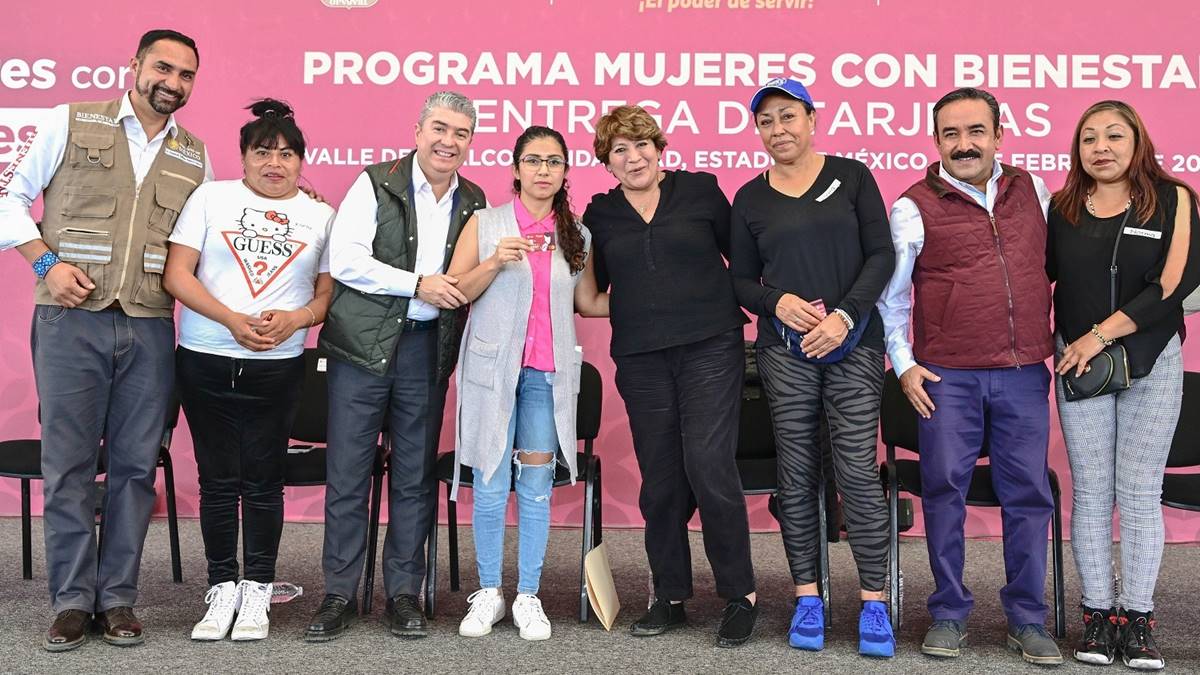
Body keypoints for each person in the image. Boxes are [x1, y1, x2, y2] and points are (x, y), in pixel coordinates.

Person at [0, 29, 211, 651]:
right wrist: (44, 263)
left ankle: (116, 598)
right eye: (162, 68)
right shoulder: (70, 120)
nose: (172, 82)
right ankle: (71, 601)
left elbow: (208, 238)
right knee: (67, 466)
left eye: (186, 74)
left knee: (134, 470)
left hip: (149, 325)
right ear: (134, 66)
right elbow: (8, 198)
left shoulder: (197, 157)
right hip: (72, 321)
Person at [876, 87, 1062, 665]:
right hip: (945, 377)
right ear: (936, 141)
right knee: (944, 493)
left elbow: (1054, 272)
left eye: (975, 131)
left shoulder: (1034, 190)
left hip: (1025, 371)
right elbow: (893, 297)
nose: (964, 144)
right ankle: (949, 612)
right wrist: (904, 367)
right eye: (951, 134)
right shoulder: (911, 205)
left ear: (999, 135)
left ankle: (1027, 618)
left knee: (1028, 495)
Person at [304, 91, 487, 642]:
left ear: (470, 143)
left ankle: (403, 593)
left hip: (426, 351)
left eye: (460, 133)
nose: (447, 141)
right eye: (439, 128)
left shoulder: (474, 199)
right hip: (361, 350)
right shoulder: (373, 181)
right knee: (348, 475)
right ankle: (338, 593)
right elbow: (348, 261)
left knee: (413, 478)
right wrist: (417, 284)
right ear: (416, 131)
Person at [729, 77, 896, 657]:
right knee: (796, 472)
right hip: (784, 351)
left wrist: (845, 317)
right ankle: (808, 595)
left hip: (852, 343)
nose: (778, 129)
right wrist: (775, 301)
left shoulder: (852, 177)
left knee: (855, 471)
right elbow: (742, 279)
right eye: (767, 120)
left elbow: (882, 255)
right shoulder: (749, 197)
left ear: (812, 118)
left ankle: (874, 603)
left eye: (788, 116)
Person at [582, 105, 757, 648]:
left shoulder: (702, 191)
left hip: (711, 347)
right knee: (660, 482)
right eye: (619, 151)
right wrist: (643, 305)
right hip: (641, 358)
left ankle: (739, 594)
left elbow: (745, 268)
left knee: (709, 465)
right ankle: (670, 595)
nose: (633, 158)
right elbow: (588, 300)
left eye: (641, 146)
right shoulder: (600, 214)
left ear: (660, 149)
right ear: (607, 162)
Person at [163, 99, 334, 642]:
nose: (274, 163)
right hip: (206, 358)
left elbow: (327, 290)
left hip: (279, 366)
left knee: (263, 481)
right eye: (263, 152)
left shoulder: (321, 215)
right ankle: (221, 590)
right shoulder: (210, 198)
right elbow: (177, 275)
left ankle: (257, 588)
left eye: (286, 154)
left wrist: (299, 319)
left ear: (302, 161)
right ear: (242, 157)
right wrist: (232, 319)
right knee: (217, 481)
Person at [1047, 100, 1200, 671]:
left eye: (1114, 135)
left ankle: (1137, 619)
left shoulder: (1174, 198)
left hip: (1151, 359)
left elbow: (1175, 282)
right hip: (1080, 368)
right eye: (1089, 138)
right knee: (1091, 493)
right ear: (1077, 149)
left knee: (1137, 493)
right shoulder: (1062, 208)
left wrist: (1099, 335)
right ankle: (1096, 614)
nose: (1101, 147)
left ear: (1138, 141)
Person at [446, 126, 607, 641]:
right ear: (515, 169)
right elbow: (455, 291)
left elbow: (587, 303)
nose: (543, 170)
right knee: (491, 484)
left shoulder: (576, 234)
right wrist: (496, 260)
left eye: (554, 162)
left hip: (547, 376)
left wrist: (666, 298)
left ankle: (528, 596)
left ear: (564, 172)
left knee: (536, 487)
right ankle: (489, 592)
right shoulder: (485, 223)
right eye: (533, 161)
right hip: (492, 372)